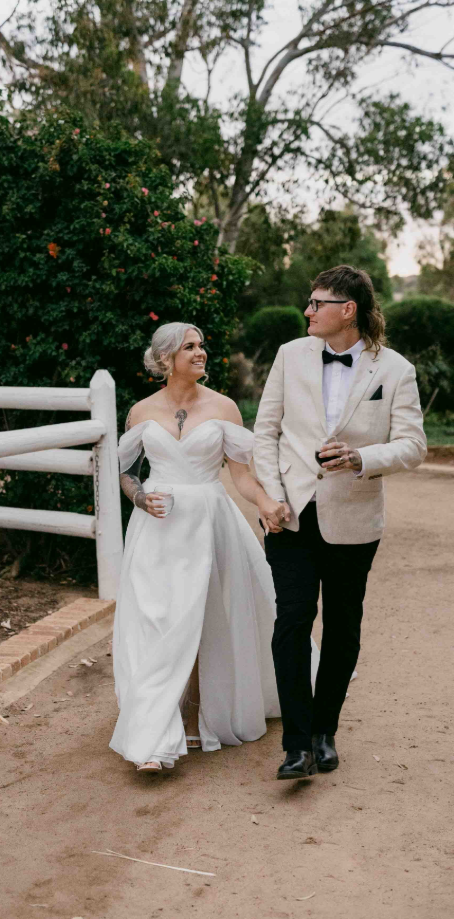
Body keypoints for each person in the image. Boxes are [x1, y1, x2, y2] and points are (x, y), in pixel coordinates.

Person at [110, 322, 318, 773]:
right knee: (157, 619)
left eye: (202, 345)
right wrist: (141, 498)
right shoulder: (140, 412)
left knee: (205, 617)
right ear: (166, 359)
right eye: (190, 347)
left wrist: (267, 502)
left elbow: (241, 475)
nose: (201, 353)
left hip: (209, 524)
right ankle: (156, 734)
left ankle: (199, 714)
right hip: (158, 531)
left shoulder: (224, 408)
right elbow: (125, 471)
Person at [253, 265, 427, 780]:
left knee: (344, 630)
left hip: (355, 518)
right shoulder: (289, 356)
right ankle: (296, 743)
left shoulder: (395, 370)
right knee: (291, 624)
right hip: (291, 514)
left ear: (346, 309)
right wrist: (272, 498)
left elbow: (414, 445)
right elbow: (265, 433)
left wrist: (360, 458)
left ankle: (325, 731)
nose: (307, 310)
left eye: (317, 302)